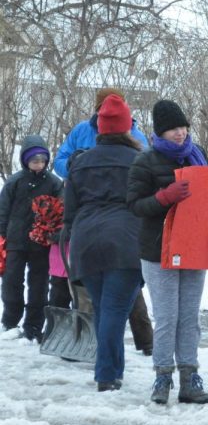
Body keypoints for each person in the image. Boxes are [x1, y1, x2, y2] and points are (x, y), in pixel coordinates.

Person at [126, 99, 208, 405]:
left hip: (195, 247)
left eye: (183, 127)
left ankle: (190, 379)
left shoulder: (197, 156)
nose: (180, 133)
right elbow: (134, 205)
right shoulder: (145, 161)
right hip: (158, 250)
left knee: (189, 318)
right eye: (173, 128)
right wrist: (163, 197)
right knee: (167, 317)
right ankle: (162, 377)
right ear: (161, 131)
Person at [54, 87, 154, 356]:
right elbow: (60, 161)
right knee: (112, 306)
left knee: (111, 306)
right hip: (124, 242)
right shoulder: (85, 135)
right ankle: (104, 366)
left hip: (88, 239)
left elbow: (70, 211)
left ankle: (138, 346)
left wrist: (81, 164)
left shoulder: (135, 139)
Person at [0, 135, 64, 342]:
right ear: (25, 160)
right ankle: (10, 320)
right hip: (16, 240)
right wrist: (2, 234)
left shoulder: (54, 183)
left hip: (41, 243)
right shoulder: (14, 182)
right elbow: (3, 210)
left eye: (42, 160)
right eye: (34, 160)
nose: (39, 164)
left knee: (39, 283)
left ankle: (34, 324)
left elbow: (62, 210)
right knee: (12, 281)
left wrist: (54, 232)